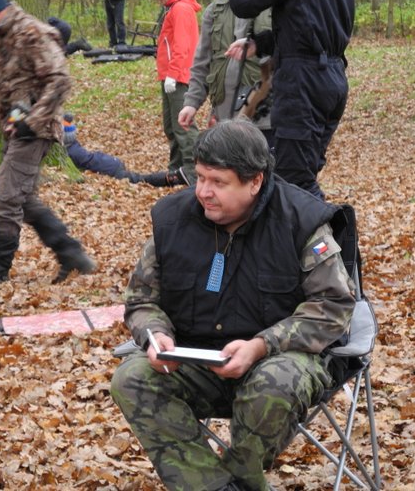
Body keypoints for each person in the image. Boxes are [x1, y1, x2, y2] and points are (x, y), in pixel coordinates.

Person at [110, 119, 355, 491]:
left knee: (274, 383)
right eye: (199, 177)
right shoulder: (172, 220)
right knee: (132, 378)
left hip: (280, 360)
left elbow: (334, 304)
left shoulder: (300, 221)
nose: (203, 192)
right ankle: (215, 487)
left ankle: (239, 479)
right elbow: (142, 299)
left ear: (255, 181)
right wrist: (155, 335)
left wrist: (261, 345)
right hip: (197, 360)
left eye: (218, 182)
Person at [0, 0, 96, 290]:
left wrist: (32, 122)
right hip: (14, 129)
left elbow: (60, 80)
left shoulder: (32, 34)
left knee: (6, 197)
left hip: (37, 130)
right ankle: (71, 253)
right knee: (23, 199)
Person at [228, 0, 355, 199]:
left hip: (303, 85)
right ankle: (304, 228)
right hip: (334, 80)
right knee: (303, 171)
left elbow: (242, 3)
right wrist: (260, 44)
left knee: (294, 179)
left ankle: (334, 230)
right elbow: (309, 29)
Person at [178, 0, 274, 145]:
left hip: (266, 117)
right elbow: (202, 62)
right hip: (224, 115)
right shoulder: (216, 9)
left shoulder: (281, 5)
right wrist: (191, 103)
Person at [147, 0, 201, 186]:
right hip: (171, 75)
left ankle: (194, 172)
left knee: (183, 125)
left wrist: (174, 73)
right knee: (171, 126)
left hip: (179, 76)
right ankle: (177, 170)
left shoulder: (180, 9)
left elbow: (181, 44)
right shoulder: (175, 8)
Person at [62, 114, 186, 187]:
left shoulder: (71, 152)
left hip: (111, 170)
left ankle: (170, 178)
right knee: (140, 177)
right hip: (111, 163)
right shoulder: (73, 145)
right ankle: (170, 177)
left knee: (141, 179)